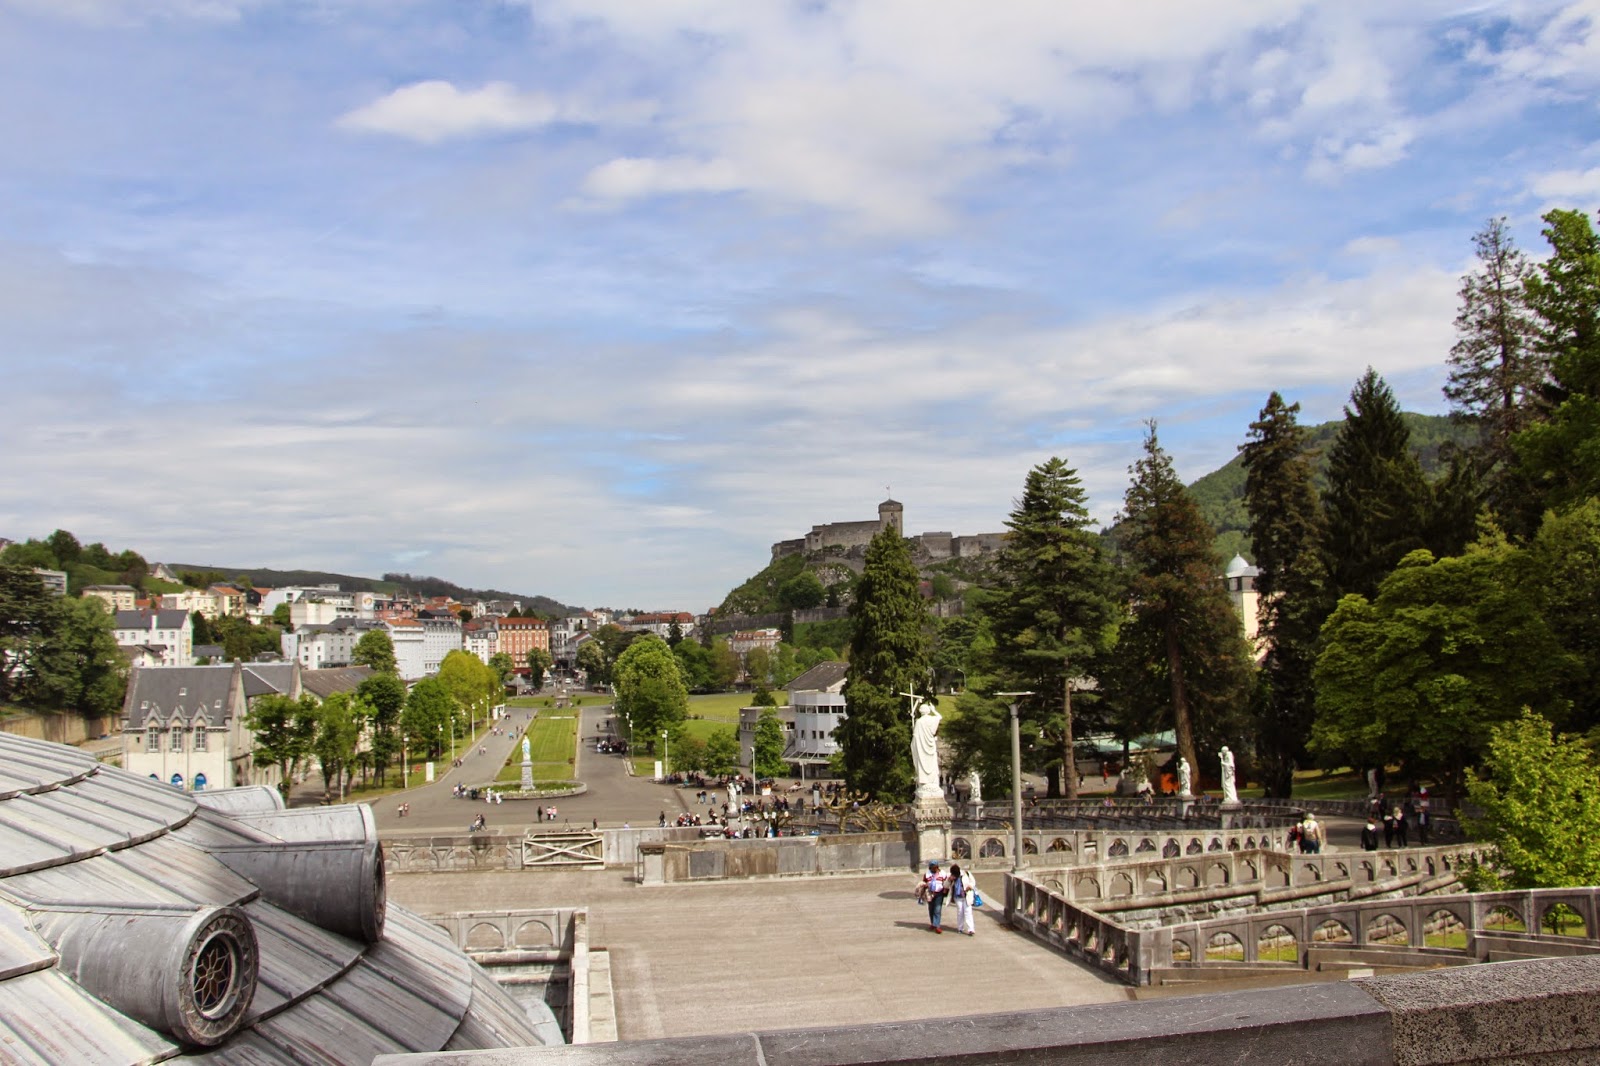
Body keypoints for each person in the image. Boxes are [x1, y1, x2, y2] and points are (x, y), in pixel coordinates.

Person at [920, 861, 949, 933]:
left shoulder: (942, 873)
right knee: (931, 909)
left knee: (937, 909)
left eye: (935, 868)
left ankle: (937, 926)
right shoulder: (927, 874)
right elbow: (924, 882)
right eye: (932, 868)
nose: (934, 869)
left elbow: (946, 883)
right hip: (930, 894)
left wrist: (945, 890)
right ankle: (933, 923)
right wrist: (925, 886)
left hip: (939, 893)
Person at [949, 863, 976, 936]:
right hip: (958, 897)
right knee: (960, 912)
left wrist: (970, 886)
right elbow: (946, 885)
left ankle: (971, 929)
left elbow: (973, 882)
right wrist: (950, 880)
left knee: (968, 912)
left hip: (966, 896)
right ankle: (960, 928)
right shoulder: (952, 877)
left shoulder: (966, 874)